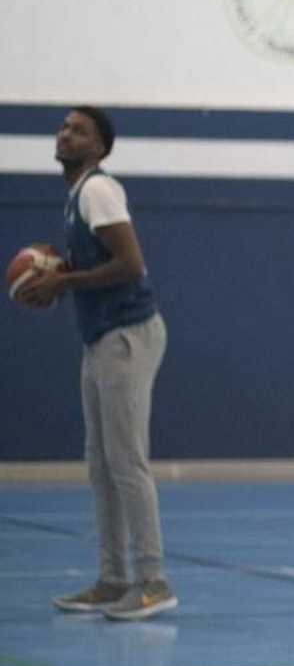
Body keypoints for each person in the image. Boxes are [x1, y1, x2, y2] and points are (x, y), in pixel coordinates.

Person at [18, 107, 176, 621]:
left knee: (126, 462)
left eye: (79, 130)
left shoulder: (98, 190)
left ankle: (152, 582)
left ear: (100, 148)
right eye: (64, 127)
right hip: (102, 337)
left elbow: (131, 264)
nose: (66, 134)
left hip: (128, 334)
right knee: (101, 465)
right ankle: (112, 580)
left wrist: (63, 281)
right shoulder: (77, 196)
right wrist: (63, 278)